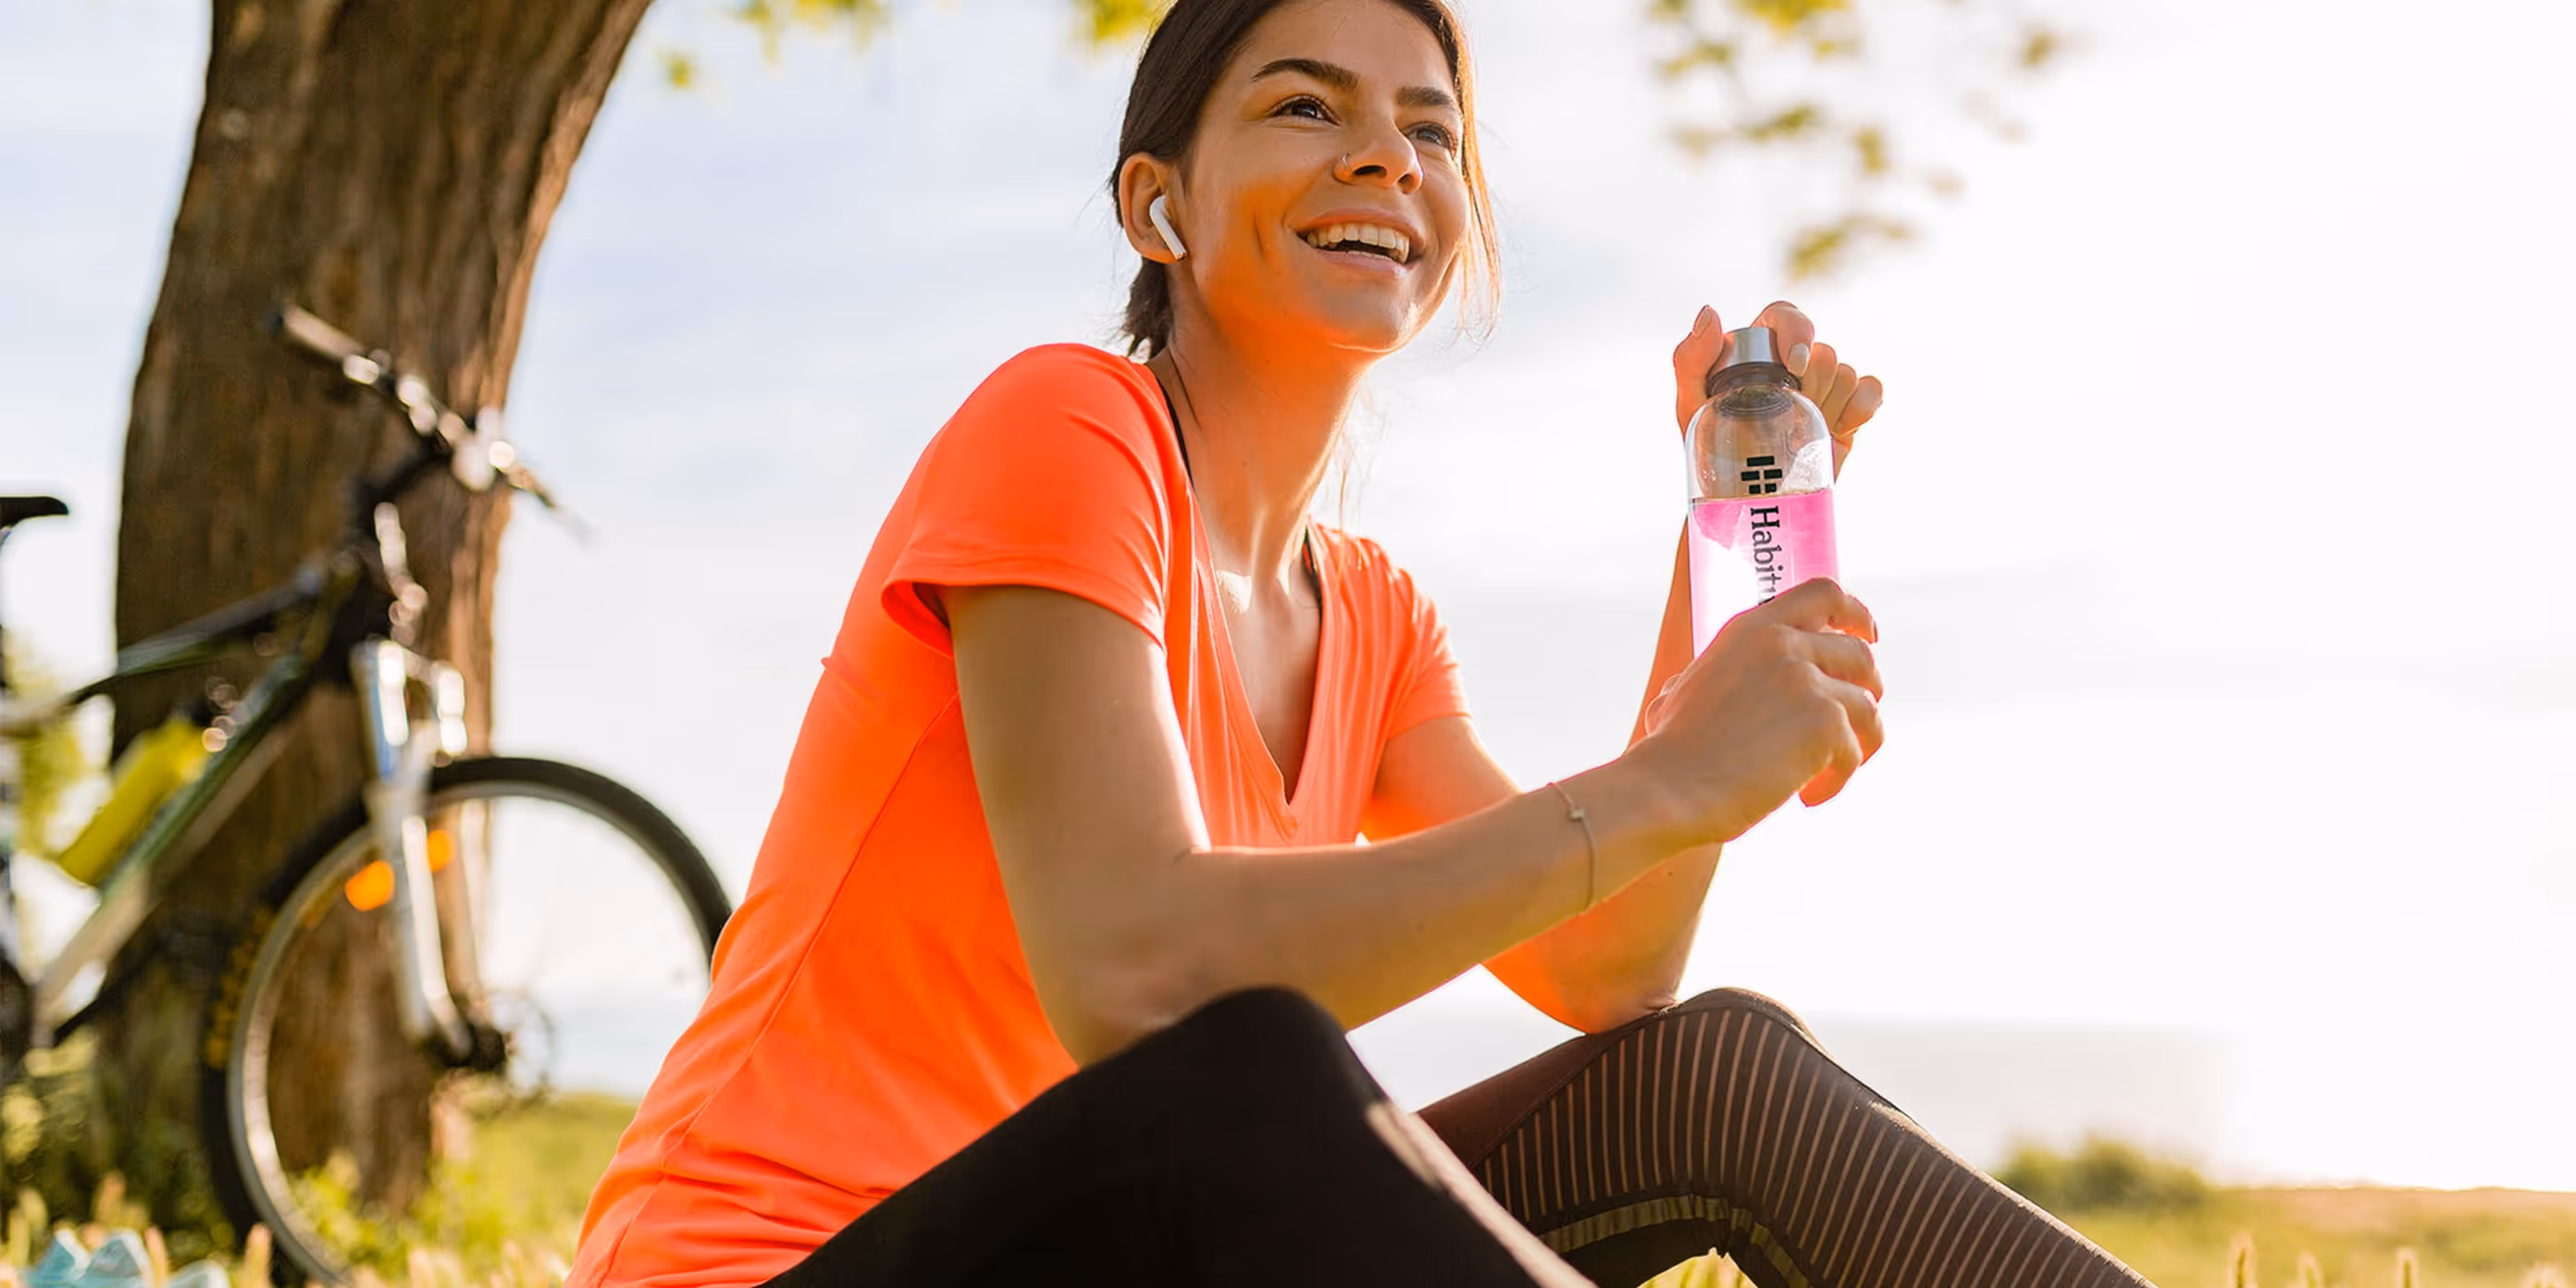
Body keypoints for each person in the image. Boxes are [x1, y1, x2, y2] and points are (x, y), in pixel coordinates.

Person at [567, 1, 2157, 1285]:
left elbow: (1612, 966)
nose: (1385, 157)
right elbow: (1137, 968)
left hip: (1125, 1248)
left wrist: (1730, 524)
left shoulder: (1374, 617)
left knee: (1706, 1068)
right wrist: (1676, 775)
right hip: (777, 1268)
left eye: (1431, 129)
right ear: (1159, 205)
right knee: (1250, 1066)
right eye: (1308, 108)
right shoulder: (1067, 426)